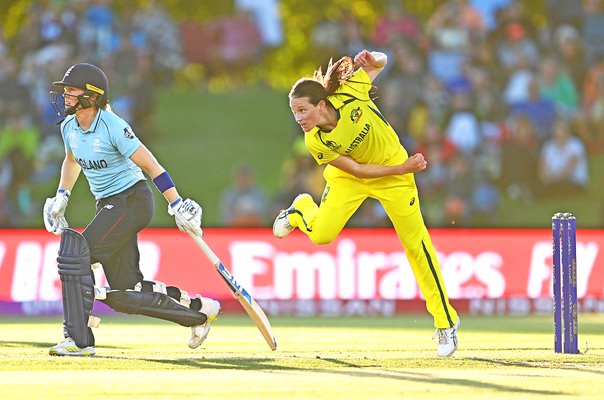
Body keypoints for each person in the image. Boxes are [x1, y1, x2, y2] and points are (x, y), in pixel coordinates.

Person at [273, 50, 460, 357]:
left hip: (394, 176)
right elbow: (358, 171)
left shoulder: (349, 93)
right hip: (356, 177)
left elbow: (384, 62)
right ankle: (300, 210)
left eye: (303, 110)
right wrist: (402, 169)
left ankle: (446, 322)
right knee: (321, 235)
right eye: (294, 113)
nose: (299, 119)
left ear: (321, 104)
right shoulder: (315, 141)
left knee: (416, 245)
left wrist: (372, 56)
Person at [43, 63, 220, 356]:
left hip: (132, 201)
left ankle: (79, 339)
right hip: (109, 205)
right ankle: (199, 311)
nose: (66, 96)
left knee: (75, 252)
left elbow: (152, 166)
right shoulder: (69, 128)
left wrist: (176, 203)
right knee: (127, 293)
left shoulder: (113, 126)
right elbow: (72, 161)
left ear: (92, 96)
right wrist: (62, 195)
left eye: (72, 91)